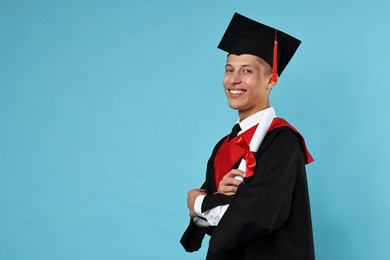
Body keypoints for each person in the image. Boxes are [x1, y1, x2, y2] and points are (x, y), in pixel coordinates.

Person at [180, 13, 315, 260]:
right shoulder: (223, 146)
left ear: (271, 79)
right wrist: (212, 204)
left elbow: (260, 213)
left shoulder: (282, 141)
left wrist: (201, 204)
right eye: (229, 69)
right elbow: (214, 223)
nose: (234, 79)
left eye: (247, 71)